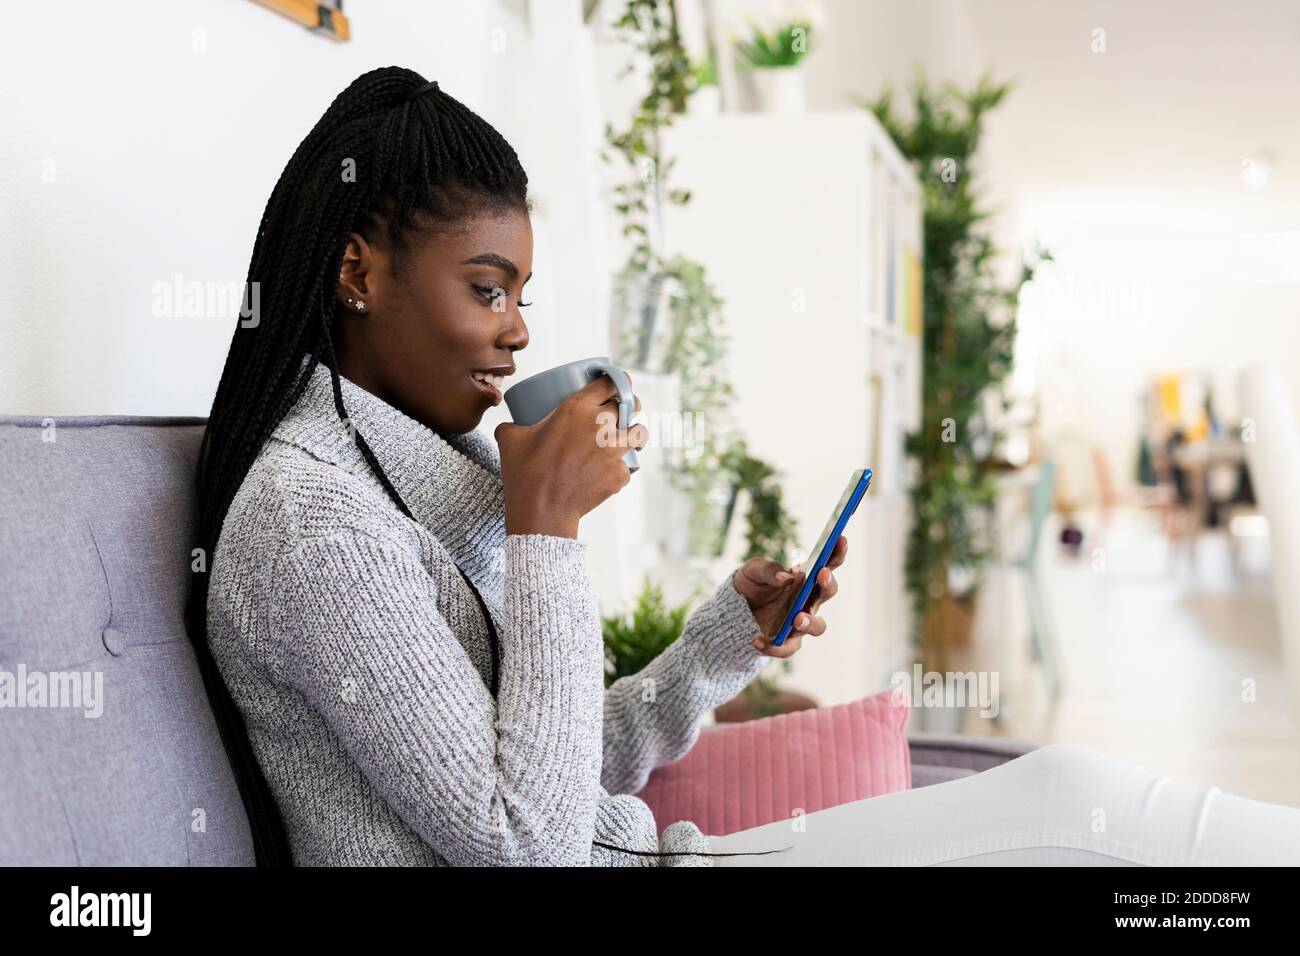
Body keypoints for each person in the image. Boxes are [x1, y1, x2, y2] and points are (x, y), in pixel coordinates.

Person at [187, 67, 1300, 868]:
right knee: (1075, 811)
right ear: (355, 272)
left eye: (522, 295)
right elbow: (520, 841)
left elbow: (563, 774)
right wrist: (543, 529)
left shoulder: (418, 489)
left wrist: (719, 644)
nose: (518, 332)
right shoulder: (313, 523)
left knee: (1075, 803)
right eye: (488, 288)